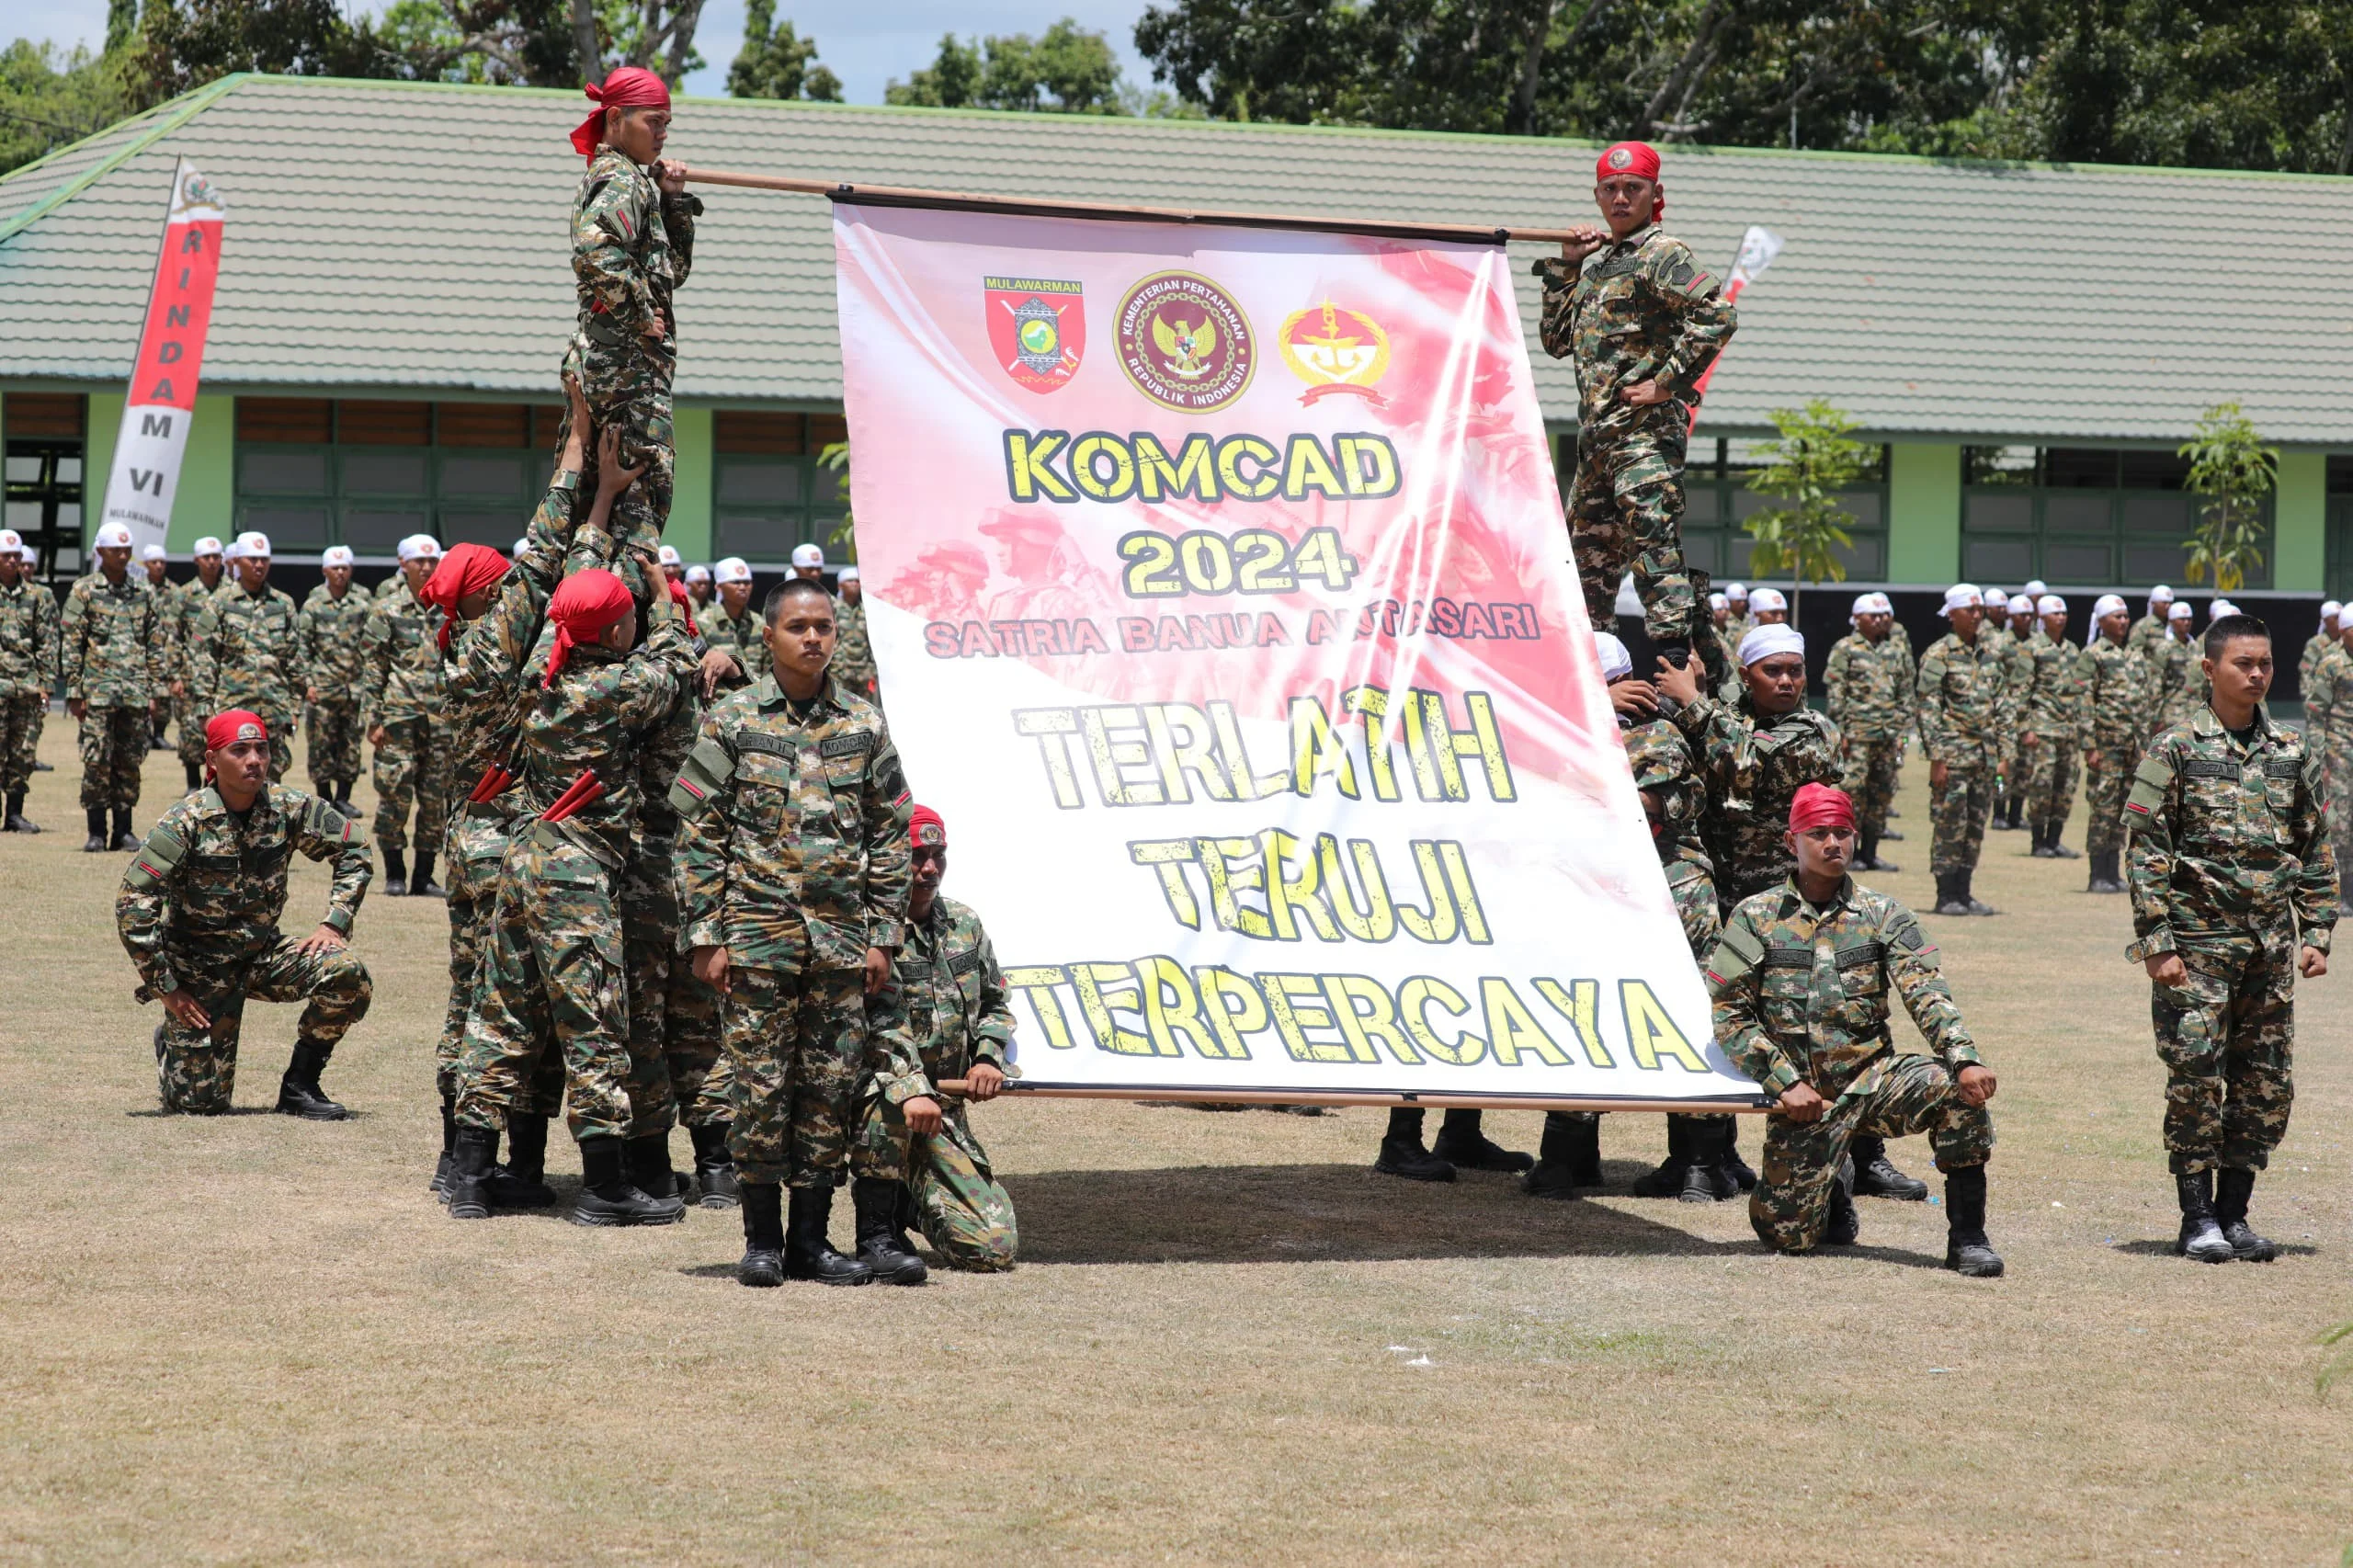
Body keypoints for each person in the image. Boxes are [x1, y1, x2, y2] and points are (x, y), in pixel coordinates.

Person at [447, 459, 700, 1228]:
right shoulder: (619, 687)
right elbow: (676, 667)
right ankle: (605, 1186)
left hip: (525, 856)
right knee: (595, 1023)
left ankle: (469, 1175)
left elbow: (566, 614)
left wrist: (594, 515)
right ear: (617, 630)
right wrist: (665, 603)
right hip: (577, 873)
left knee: (499, 1019)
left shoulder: (539, 675)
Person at [673, 575, 914, 1286]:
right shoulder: (733, 720)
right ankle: (762, 1243)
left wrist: (884, 935)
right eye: (798, 627)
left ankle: (811, 1241)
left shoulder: (864, 723)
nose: (813, 638)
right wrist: (705, 935)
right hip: (756, 941)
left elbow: (890, 833)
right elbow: (697, 832)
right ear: (769, 634)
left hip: (841, 947)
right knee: (759, 1089)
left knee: (827, 1094)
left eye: (824, 627)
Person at [1707, 783, 2002, 1275]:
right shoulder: (1755, 917)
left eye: (1842, 833)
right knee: (1787, 1235)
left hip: (1875, 1082)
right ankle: (1835, 1183)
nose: (1832, 844)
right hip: (1803, 1100)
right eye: (1818, 833)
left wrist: (1964, 1058)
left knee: (1958, 1092)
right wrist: (1785, 1083)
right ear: (1791, 841)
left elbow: (1926, 992)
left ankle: (1969, 1238)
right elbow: (1730, 1016)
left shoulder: (1883, 914)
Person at [424, 389, 595, 1206]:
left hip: (468, 846)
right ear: (491, 594)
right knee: (522, 1009)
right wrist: (583, 457)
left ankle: (455, 1160)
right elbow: (548, 549)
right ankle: (502, 1169)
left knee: (470, 1001)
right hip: (512, 847)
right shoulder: (496, 640)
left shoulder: (455, 648)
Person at [2123, 612, 2335, 1264]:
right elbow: (2145, 850)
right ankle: (2197, 1220)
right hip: (2197, 949)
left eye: (2265, 663)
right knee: (2195, 1079)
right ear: (2210, 668)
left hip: (2269, 949)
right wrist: (2157, 940)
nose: (2257, 674)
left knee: (2263, 1085)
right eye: (2244, 663)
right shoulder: (2174, 749)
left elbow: (2314, 845)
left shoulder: (2293, 751)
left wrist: (2317, 928)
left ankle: (2235, 1216)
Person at [1529, 631, 1744, 1203]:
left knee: (1692, 1015)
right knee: (1584, 1008)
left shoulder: (1655, 734)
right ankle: (1567, 1157)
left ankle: (1697, 1163)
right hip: (1590, 890)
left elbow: (1660, 806)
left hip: (1671, 892)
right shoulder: (1555, 734)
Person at [1533, 141, 1736, 662]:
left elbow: (1717, 315)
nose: (1620, 198)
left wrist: (1666, 383)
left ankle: (1678, 677)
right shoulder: (1602, 265)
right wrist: (1568, 267)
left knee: (1653, 548)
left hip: (1643, 435)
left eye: (1633, 188)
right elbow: (1556, 341)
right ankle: (1597, 675)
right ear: (1597, 196)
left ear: (1655, 193)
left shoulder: (1660, 254)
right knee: (1585, 565)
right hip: (1598, 442)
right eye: (1610, 189)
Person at [117, 709, 374, 1117]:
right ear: (212, 760)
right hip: (199, 971)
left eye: (261, 749)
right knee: (200, 1108)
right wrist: (167, 989)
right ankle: (172, 1044)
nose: (254, 760)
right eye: (239, 750)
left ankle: (301, 1085)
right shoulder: (186, 821)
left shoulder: (289, 807)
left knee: (346, 974)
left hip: (261, 954)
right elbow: (133, 903)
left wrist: (335, 922)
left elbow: (354, 848)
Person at [851, 804, 1020, 1281]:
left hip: (942, 1107)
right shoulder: (865, 931)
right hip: (879, 1097)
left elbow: (996, 1003)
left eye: (937, 855)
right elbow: (876, 1024)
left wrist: (987, 1058)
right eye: (916, 856)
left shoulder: (964, 923)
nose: (929, 868)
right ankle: (877, 1234)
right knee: (884, 1099)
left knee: (991, 1248)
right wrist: (911, 1089)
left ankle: (909, 1200)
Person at [566, 65, 698, 570]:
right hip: (623, 375)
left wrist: (673, 201)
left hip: (629, 374)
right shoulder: (621, 179)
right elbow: (595, 251)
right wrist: (642, 313)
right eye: (653, 122)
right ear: (616, 118)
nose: (662, 134)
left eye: (667, 124)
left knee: (624, 504)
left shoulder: (635, 182)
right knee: (635, 508)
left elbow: (670, 273)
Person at [62, 520, 164, 852]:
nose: (122, 555)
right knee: (96, 760)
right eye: (116, 550)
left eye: (126, 550)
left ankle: (124, 831)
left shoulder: (143, 593)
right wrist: (74, 691)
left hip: (135, 693)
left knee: (129, 762)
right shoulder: (83, 590)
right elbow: (72, 644)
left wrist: (154, 691)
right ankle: (96, 832)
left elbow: (154, 644)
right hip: (97, 693)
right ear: (100, 552)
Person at [363, 534, 450, 896]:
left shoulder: (451, 607)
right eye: (420, 561)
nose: (427, 567)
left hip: (441, 720)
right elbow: (374, 667)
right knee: (394, 794)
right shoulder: (387, 609)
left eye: (432, 561)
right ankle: (395, 874)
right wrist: (373, 718)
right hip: (398, 717)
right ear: (405, 565)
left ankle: (424, 876)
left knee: (435, 799)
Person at [1916, 585, 2006, 917]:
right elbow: (1928, 708)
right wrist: (1937, 758)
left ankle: (1965, 893)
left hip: (1984, 757)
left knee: (1975, 826)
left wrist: (2004, 755)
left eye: (1980, 609)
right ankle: (1945, 895)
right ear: (1952, 614)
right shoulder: (1938, 654)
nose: (1977, 615)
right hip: (1953, 757)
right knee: (1949, 825)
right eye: (1970, 610)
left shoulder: (1989, 655)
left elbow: (2003, 705)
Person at [188, 531, 304, 783]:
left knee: (270, 781)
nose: (259, 565)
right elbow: (204, 657)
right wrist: (204, 709)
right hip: (231, 709)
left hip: (273, 710)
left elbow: (295, 659)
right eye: (252, 559)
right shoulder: (219, 603)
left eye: (264, 559)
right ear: (237, 561)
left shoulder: (283, 604)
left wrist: (295, 707)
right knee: (226, 780)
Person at [1823, 592, 1906, 871]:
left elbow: (1904, 691)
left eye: (1883, 615)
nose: (1880, 620)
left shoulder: (1895, 650)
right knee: (1854, 794)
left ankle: (1871, 853)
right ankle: (1852, 854)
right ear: (1857, 619)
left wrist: (1901, 730)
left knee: (1882, 794)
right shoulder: (1845, 648)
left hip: (1887, 735)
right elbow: (1836, 693)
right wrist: (1840, 734)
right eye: (1873, 616)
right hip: (1857, 735)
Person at [2081, 594, 2153, 895]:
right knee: (2103, 807)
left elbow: (2144, 700)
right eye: (2117, 616)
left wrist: (2145, 744)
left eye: (2125, 616)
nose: (2123, 621)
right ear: (2101, 621)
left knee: (2125, 808)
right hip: (2106, 745)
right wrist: (2089, 745)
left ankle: (2113, 871)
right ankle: (2097, 873)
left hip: (2132, 746)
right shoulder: (2093, 654)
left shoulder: (2135, 655)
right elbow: (2084, 700)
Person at [298, 545, 369, 810]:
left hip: (353, 689)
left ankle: (343, 799)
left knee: (351, 745)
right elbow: (302, 647)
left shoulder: (362, 605)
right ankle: (325, 797)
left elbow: (371, 646)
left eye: (344, 567)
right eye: (335, 567)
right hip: (323, 689)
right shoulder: (313, 606)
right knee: (321, 745)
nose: (340, 572)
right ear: (324, 570)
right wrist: (307, 683)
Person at [2018, 594, 2086, 860]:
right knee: (2042, 783)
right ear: (2043, 618)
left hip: (2068, 728)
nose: (2060, 618)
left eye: (2063, 613)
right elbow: (2021, 689)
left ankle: (2055, 840)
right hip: (2043, 727)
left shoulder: (2072, 650)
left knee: (2066, 785)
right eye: (2055, 614)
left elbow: (2079, 690)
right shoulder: (2032, 648)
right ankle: (2038, 841)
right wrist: (2026, 728)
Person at [0, 528, 57, 832]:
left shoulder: (39, 596)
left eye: (16, 556)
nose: (13, 561)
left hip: (26, 686)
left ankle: (14, 815)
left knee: (22, 752)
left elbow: (47, 642)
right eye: (6, 556)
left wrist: (46, 685)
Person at [165, 537, 226, 791]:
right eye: (206, 557)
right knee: (192, 732)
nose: (212, 562)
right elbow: (172, 636)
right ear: (196, 560)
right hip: (191, 677)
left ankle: (216, 784)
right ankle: (193, 784)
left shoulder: (230, 592)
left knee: (222, 731)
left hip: (224, 676)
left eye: (216, 557)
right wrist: (174, 675)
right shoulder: (184, 595)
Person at [1990, 592, 2037, 833]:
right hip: (2005, 714)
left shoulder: (2037, 643)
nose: (2027, 619)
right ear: (2011, 616)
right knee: (2004, 765)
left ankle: (2016, 814)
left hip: (2030, 716)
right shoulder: (2001, 643)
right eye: (2022, 615)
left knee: (2025, 768)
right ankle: (1999, 813)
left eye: (2030, 615)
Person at [2154, 601, 2203, 733]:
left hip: (2197, 712)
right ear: (2171, 621)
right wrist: (2157, 716)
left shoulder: (2197, 648)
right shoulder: (2164, 649)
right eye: (2182, 619)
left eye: (2189, 619)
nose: (2186, 623)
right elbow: (2156, 683)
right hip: (2173, 712)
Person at [704, 556, 763, 667]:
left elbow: (769, 665)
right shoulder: (702, 622)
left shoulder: (759, 623)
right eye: (736, 582)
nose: (743, 587)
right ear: (719, 587)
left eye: (747, 582)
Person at [140, 545, 171, 748]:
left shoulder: (174, 591)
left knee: (164, 696)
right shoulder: (138, 589)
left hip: (167, 650)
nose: (159, 566)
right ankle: (144, 733)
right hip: (145, 650)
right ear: (145, 564)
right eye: (154, 562)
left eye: (162, 562)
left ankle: (159, 733)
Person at [834, 564, 876, 699]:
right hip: (840, 671)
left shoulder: (867, 610)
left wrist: (872, 670)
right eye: (850, 581)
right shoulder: (833, 609)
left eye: (857, 581)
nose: (854, 584)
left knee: (863, 709)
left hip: (864, 672)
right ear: (840, 585)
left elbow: (873, 641)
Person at [2299, 601, 2341, 699]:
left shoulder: (2346, 641)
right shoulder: (2316, 644)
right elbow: (2306, 673)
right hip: (2323, 697)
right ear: (2326, 620)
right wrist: (2311, 697)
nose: (2340, 620)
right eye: (2336, 617)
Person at [2129, 585, 2176, 657]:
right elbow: (2134, 652)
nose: (2168, 606)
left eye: (2170, 603)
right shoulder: (2143, 626)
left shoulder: (2175, 625)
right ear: (2153, 604)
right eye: (2164, 603)